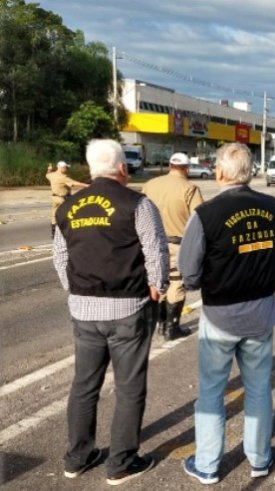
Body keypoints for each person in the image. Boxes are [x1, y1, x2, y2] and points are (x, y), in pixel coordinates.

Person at [52, 139, 169, 486]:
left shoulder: (68, 207)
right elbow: (155, 249)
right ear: (122, 168)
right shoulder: (137, 203)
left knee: (84, 384)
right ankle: (121, 462)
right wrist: (158, 285)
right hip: (128, 308)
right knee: (129, 387)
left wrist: (74, 290)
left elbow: (60, 257)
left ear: (88, 169)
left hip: (83, 309)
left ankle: (78, 456)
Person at [178, 142, 275, 485]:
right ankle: (259, 458)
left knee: (212, 390)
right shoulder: (273, 207)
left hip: (220, 317)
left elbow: (190, 274)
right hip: (260, 313)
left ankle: (208, 465)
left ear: (221, 172)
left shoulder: (206, 214)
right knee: (258, 388)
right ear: (250, 172)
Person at [142, 152, 204, 340]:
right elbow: (199, 218)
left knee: (157, 281)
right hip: (177, 245)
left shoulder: (149, 185)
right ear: (186, 168)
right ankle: (171, 328)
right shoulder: (189, 188)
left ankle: (160, 325)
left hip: (150, 244)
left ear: (170, 166)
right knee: (176, 284)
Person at [46, 160, 88, 238]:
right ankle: (70, 231)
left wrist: (49, 169)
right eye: (65, 168)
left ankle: (53, 233)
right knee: (71, 214)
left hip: (54, 198)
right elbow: (75, 183)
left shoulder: (52, 175)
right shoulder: (63, 178)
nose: (67, 169)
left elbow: (47, 175)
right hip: (62, 199)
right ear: (61, 168)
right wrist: (87, 185)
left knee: (54, 216)